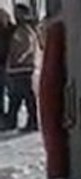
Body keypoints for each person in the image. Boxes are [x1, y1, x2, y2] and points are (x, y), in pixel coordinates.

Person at [5, 3, 39, 133]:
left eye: (19, 13)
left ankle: (31, 121)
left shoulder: (25, 29)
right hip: (18, 68)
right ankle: (12, 120)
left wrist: (18, 59)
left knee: (24, 96)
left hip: (23, 68)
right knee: (16, 96)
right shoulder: (20, 29)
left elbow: (27, 46)